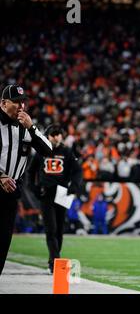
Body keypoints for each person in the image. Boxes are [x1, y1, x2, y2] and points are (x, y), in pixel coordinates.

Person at [0, 84, 53, 275]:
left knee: (3, 244)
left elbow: (48, 150)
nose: (21, 107)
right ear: (3, 103)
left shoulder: (26, 127)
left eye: (24, 102)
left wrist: (31, 127)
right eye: (16, 102)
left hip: (11, 192)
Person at [26, 124, 82, 274]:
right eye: (54, 134)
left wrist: (74, 185)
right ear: (48, 136)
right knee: (51, 229)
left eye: (59, 134)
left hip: (62, 194)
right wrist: (34, 188)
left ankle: (54, 260)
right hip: (47, 194)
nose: (57, 137)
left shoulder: (67, 152)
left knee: (59, 230)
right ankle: (56, 262)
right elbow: (30, 173)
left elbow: (78, 171)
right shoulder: (41, 151)